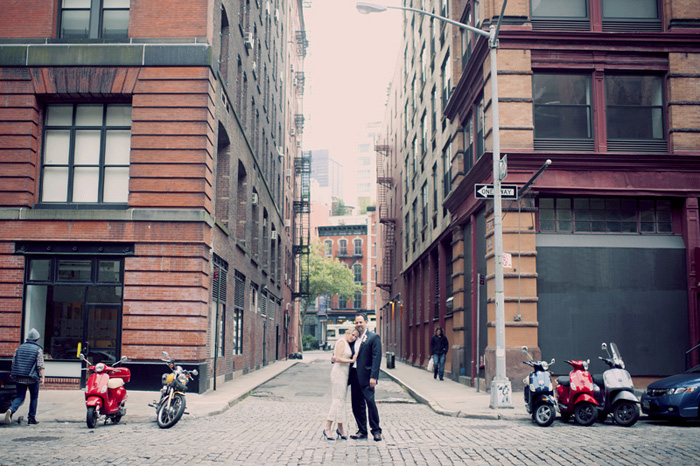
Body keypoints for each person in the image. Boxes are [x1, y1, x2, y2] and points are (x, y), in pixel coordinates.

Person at [348, 313, 382, 441]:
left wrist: (374, 377)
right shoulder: (353, 338)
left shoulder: (373, 337)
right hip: (354, 376)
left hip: (367, 377)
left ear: (366, 322)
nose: (358, 325)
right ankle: (362, 431)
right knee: (357, 404)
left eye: (360, 322)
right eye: (356, 322)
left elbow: (376, 358)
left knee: (370, 403)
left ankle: (376, 431)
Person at [323, 328, 359, 440]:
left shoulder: (347, 343)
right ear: (348, 333)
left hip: (344, 374)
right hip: (338, 373)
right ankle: (327, 427)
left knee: (341, 400)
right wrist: (351, 360)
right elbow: (337, 358)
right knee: (337, 400)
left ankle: (340, 428)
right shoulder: (341, 342)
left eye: (355, 337)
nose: (353, 338)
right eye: (352, 335)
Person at [5, 328, 45, 425]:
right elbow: (40, 365)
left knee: (20, 397)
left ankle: (11, 410)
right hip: (32, 378)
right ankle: (31, 418)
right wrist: (42, 377)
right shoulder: (38, 349)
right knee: (34, 397)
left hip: (19, 377)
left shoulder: (19, 348)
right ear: (37, 339)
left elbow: (14, 363)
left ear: (28, 339)